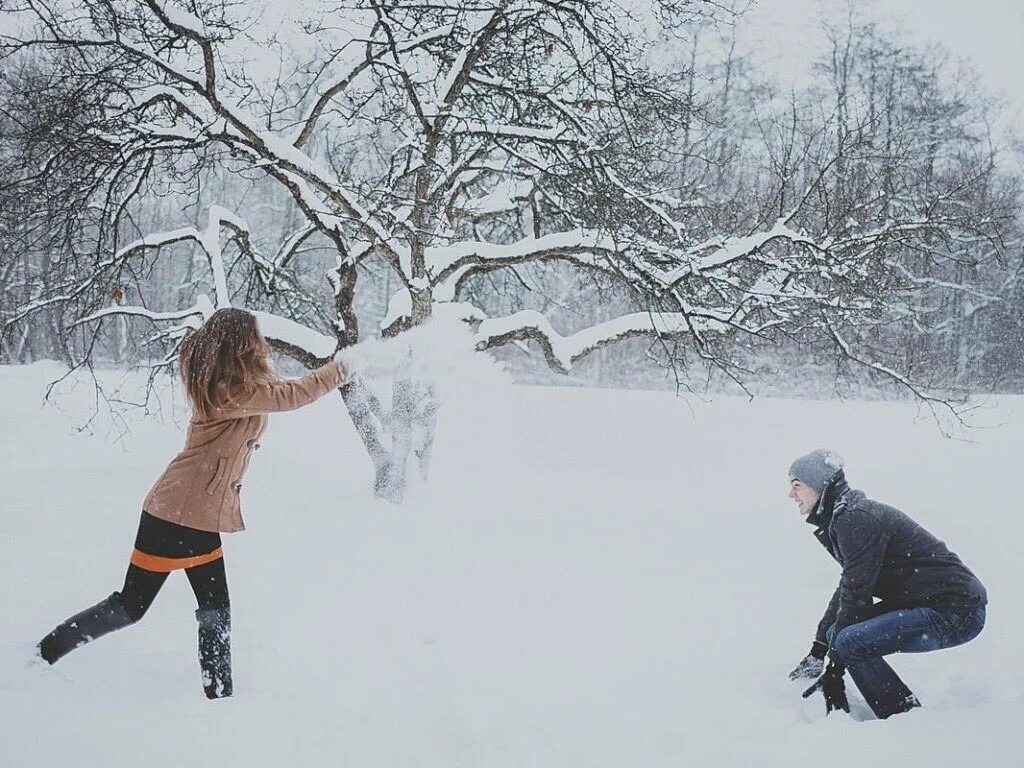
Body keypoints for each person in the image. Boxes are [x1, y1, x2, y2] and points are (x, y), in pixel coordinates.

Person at [37, 308, 353, 699]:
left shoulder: (231, 384)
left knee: (208, 604)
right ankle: (47, 651)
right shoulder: (228, 390)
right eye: (255, 336)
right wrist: (340, 370)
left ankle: (218, 692)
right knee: (137, 606)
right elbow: (289, 396)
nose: (262, 343)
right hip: (175, 515)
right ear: (240, 343)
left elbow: (275, 390)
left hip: (191, 515)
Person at [787, 449, 987, 719]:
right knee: (840, 634)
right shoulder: (844, 518)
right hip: (931, 602)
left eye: (797, 486)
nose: (791, 495)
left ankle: (904, 718)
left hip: (958, 610)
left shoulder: (855, 519)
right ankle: (897, 708)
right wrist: (820, 647)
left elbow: (857, 594)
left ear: (819, 486)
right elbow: (850, 585)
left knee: (850, 641)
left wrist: (835, 667)